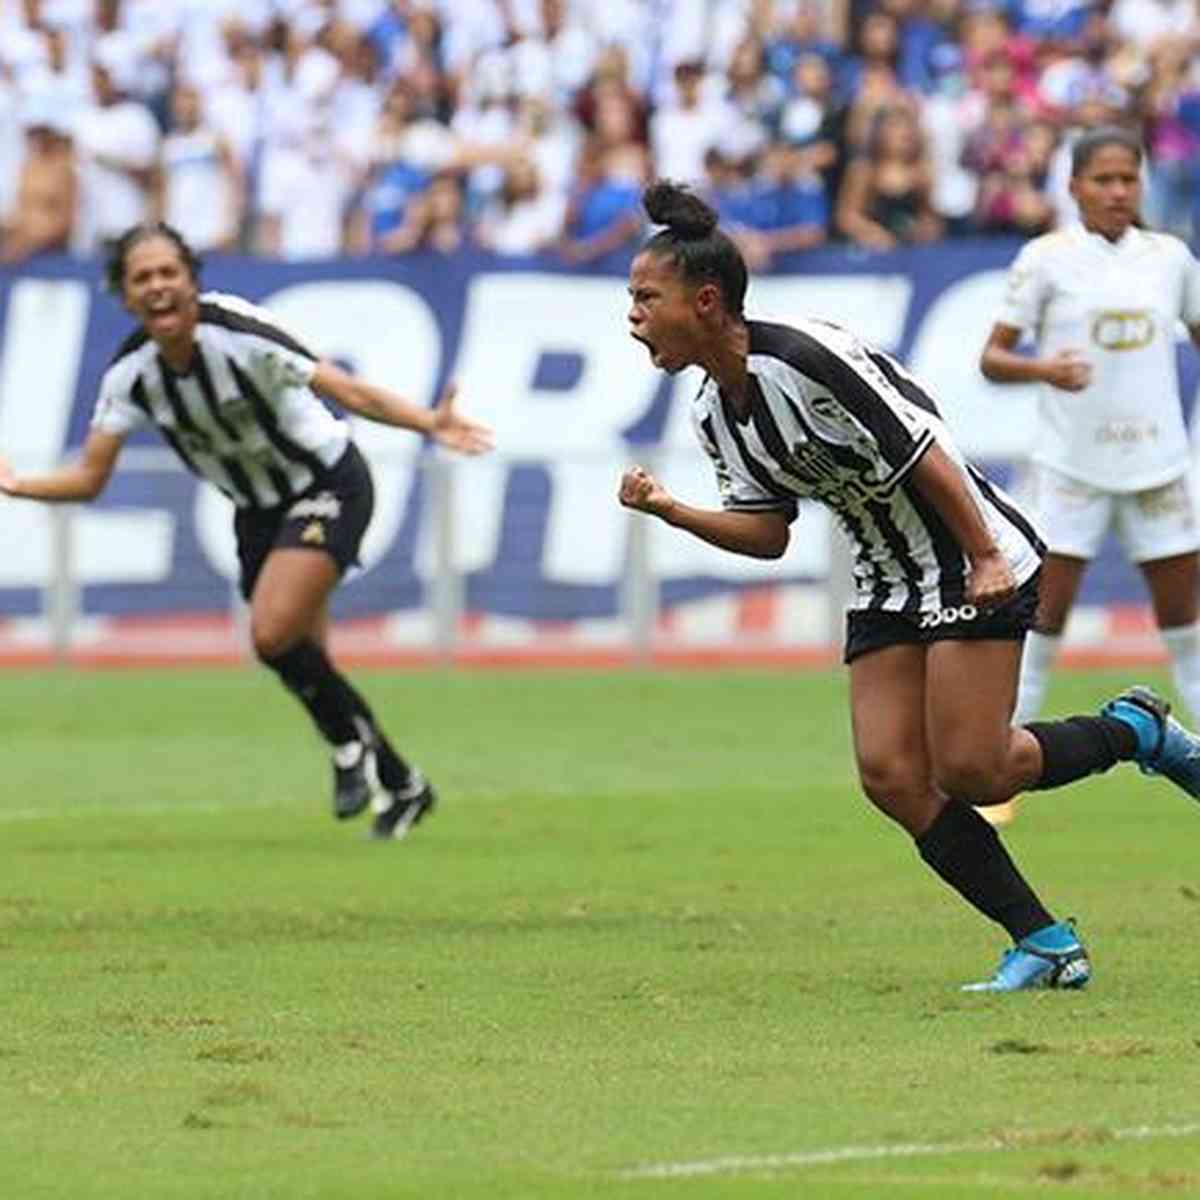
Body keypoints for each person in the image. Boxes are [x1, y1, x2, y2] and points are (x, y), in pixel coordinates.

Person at [617, 179, 1200, 992]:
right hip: (885, 579)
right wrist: (672, 510)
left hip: (968, 557)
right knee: (890, 774)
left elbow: (924, 446)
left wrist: (985, 557)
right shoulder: (716, 410)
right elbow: (770, 531)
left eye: (647, 296)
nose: (634, 315)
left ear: (707, 300)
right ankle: (1044, 940)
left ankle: (1134, 731)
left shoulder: (807, 358)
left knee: (976, 770)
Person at [0, 223, 494, 841]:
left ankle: (348, 748)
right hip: (256, 513)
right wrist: (17, 485)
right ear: (125, 296)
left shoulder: (236, 331)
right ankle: (401, 781)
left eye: (167, 273)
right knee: (299, 656)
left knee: (270, 632)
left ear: (191, 280)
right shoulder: (131, 375)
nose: (157, 287)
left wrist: (428, 421)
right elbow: (91, 478)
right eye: (142, 278)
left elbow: (345, 388)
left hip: (329, 483)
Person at [979, 127, 1200, 827]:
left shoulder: (1169, 258)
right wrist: (1045, 369)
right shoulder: (1046, 260)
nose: (1115, 192)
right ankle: (997, 769)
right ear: (1073, 186)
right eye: (1101, 179)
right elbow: (993, 358)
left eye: (1127, 180)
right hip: (1072, 464)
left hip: (1157, 462)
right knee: (1043, 618)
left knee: (1186, 621)